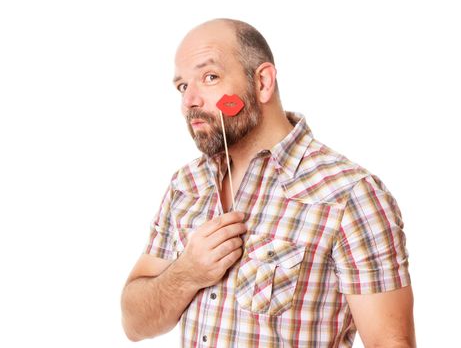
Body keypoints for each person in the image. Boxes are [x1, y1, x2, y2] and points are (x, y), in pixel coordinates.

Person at [121, 18, 415, 347]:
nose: (190, 100)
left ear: (262, 82)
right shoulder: (186, 185)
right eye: (182, 86)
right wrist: (187, 273)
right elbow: (134, 324)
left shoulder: (350, 195)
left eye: (210, 77)